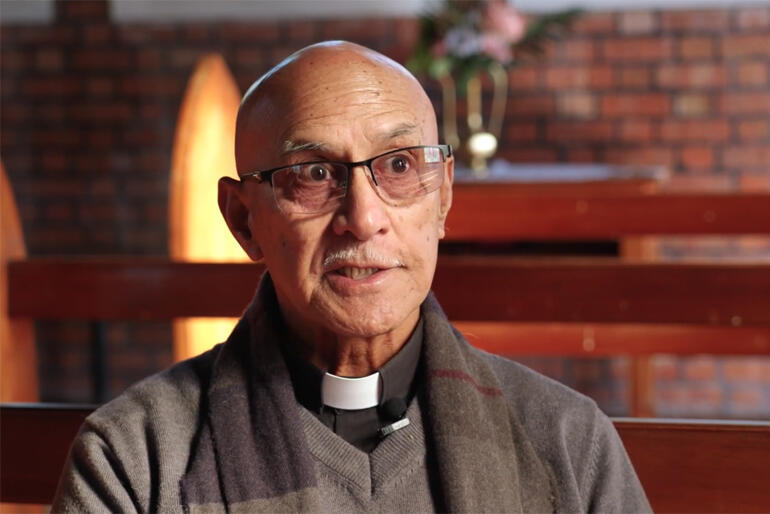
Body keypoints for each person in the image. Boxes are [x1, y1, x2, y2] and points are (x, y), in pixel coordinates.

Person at [53, 41, 650, 513]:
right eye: (313, 172)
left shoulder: (569, 443)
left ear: (442, 198)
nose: (363, 220)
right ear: (243, 220)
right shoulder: (135, 458)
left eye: (398, 166)